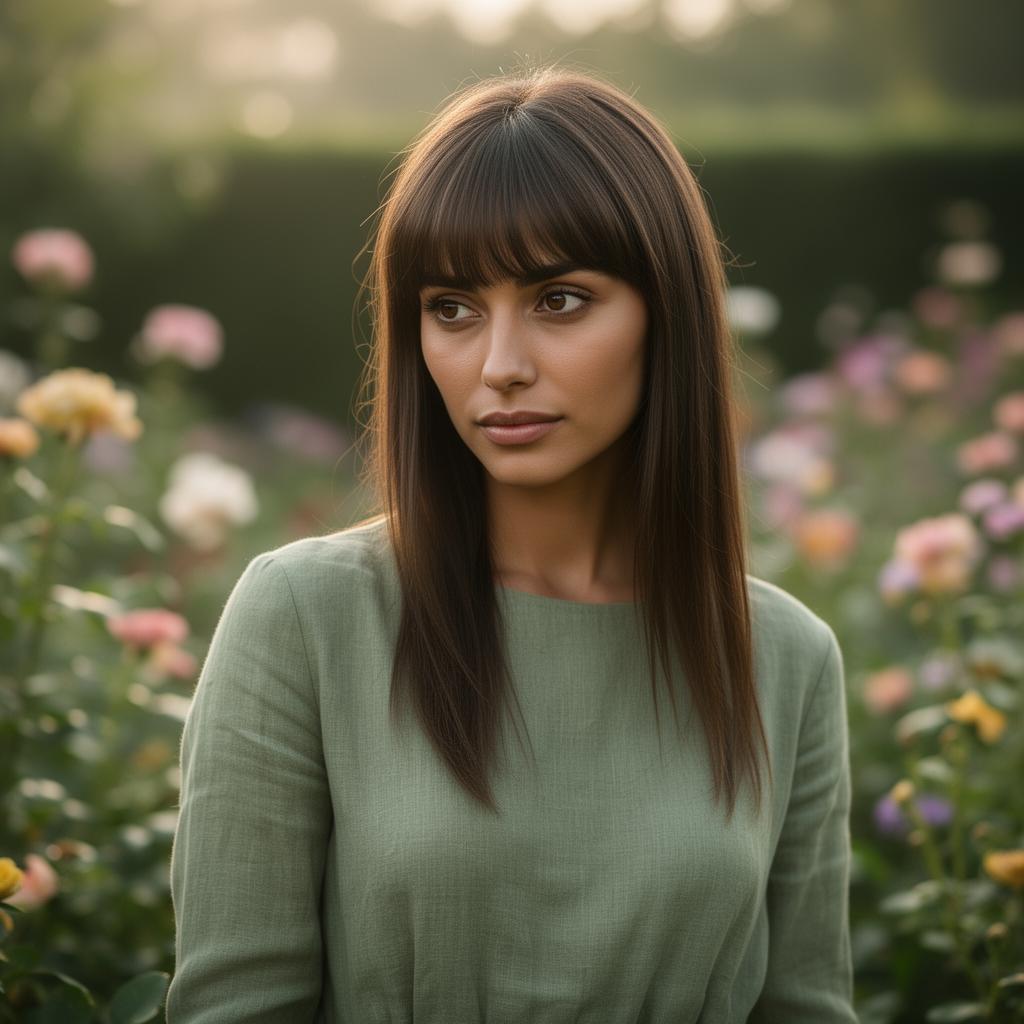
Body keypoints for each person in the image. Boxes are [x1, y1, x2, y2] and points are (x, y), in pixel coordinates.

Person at [165, 62, 857, 1023]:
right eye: (451, 309)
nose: (499, 367)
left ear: (669, 316)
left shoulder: (784, 657)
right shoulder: (307, 617)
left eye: (559, 300)